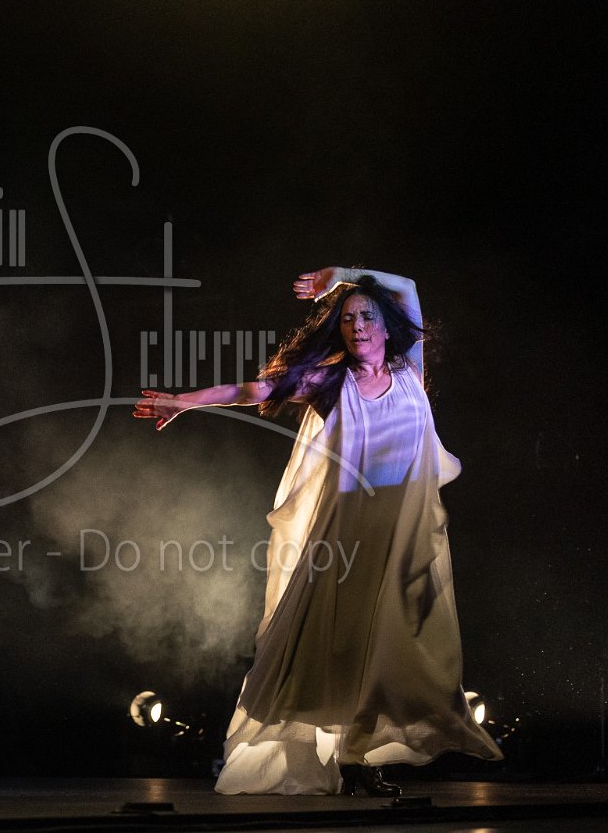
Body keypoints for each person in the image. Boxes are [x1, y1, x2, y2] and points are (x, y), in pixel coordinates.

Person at [134, 266, 501, 795]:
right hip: (350, 538)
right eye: (347, 319)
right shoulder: (332, 383)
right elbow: (255, 388)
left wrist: (341, 276)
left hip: (404, 538)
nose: (357, 326)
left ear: (386, 324)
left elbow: (408, 288)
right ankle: (353, 761)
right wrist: (185, 401)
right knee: (345, 647)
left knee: (402, 648)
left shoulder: (409, 369)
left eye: (366, 316)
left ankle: (362, 755)